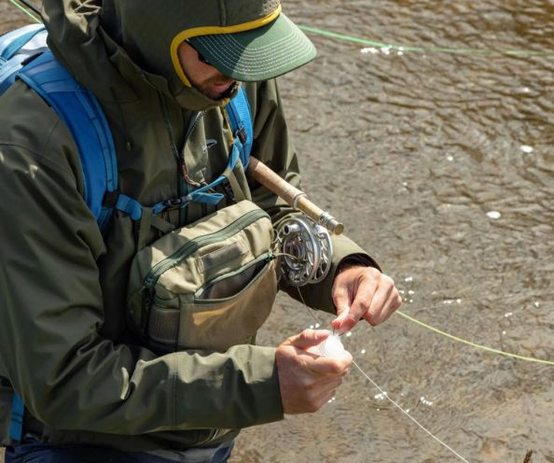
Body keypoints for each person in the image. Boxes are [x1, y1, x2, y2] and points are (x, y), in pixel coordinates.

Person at [0, 0, 402, 462]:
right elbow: (62, 378)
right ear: (157, 33)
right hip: (74, 442)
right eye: (221, 53)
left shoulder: (234, 74)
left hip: (207, 421)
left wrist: (340, 268)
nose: (238, 72)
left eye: (250, 51)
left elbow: (268, 201)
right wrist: (262, 384)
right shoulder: (34, 148)